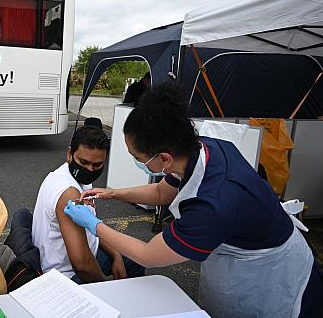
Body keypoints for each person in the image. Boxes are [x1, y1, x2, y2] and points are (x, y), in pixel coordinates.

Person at [64, 82, 323, 317]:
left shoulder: (212, 206)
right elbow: (161, 193)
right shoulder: (200, 149)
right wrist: (112, 193)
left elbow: (148, 254)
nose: (136, 161)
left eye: (138, 157)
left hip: (268, 274)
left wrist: (92, 223)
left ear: (163, 159)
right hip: (245, 245)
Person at [31, 125, 144, 284]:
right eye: (84, 162)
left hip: (88, 251)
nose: (90, 170)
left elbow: (92, 227)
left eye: (97, 165)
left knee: (135, 258)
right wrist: (109, 289)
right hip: (65, 274)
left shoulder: (76, 178)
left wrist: (116, 255)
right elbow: (82, 264)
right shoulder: (69, 194)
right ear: (69, 154)